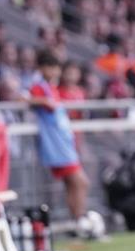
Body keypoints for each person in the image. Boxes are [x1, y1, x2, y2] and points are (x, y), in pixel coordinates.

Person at [24, 49, 103, 239]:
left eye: (56, 68)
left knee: (72, 184)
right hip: (57, 146)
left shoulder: (52, 88)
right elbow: (24, 98)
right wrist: (42, 100)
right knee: (81, 182)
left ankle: (77, 224)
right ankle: (80, 221)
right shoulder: (39, 87)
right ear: (42, 68)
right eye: (51, 67)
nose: (55, 72)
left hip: (64, 142)